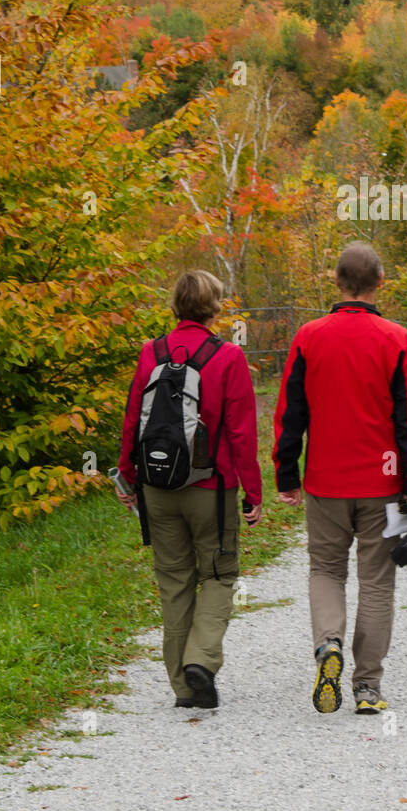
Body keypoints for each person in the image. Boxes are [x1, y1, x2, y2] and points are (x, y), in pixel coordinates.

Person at [273, 242, 407, 714]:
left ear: (337, 281)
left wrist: (286, 473)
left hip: (325, 480)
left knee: (325, 569)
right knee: (377, 582)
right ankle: (367, 687)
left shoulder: (309, 336)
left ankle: (329, 645)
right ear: (380, 282)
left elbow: (290, 411)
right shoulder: (397, 339)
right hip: (382, 483)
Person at [117, 270, 263, 709]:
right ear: (215, 308)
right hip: (211, 489)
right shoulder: (228, 357)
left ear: (175, 305)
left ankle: (184, 688)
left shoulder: (151, 352)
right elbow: (241, 433)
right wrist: (252, 493)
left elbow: (131, 422)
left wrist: (128, 478)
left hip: (157, 488)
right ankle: (201, 660)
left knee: (175, 582)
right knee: (218, 576)